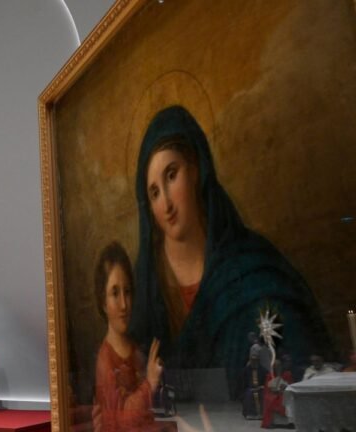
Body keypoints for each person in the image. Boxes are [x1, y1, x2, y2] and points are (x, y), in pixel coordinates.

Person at [128, 105, 332, 380]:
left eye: (172, 174)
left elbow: (298, 361)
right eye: (154, 193)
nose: (165, 202)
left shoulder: (253, 267)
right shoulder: (149, 286)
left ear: (196, 168)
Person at [91, 242, 161, 432]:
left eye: (127, 292)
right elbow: (121, 419)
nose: (124, 304)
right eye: (115, 293)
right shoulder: (105, 359)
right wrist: (151, 382)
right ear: (103, 302)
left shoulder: (136, 350)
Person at [261, 360, 294, 428]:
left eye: (278, 366)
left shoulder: (287, 374)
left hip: (285, 393)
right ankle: (271, 423)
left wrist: (285, 387)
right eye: (275, 366)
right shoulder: (270, 375)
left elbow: (291, 386)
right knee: (269, 399)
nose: (277, 367)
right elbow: (267, 388)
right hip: (273, 394)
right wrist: (275, 390)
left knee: (288, 399)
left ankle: (289, 423)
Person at [242, 354, 267, 420]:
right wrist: (249, 388)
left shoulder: (263, 370)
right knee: (248, 395)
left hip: (261, 388)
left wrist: (261, 387)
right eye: (252, 360)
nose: (253, 362)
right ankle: (250, 414)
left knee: (262, 395)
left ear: (258, 361)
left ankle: (261, 413)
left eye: (255, 360)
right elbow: (243, 382)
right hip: (250, 388)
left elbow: (266, 381)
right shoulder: (246, 370)